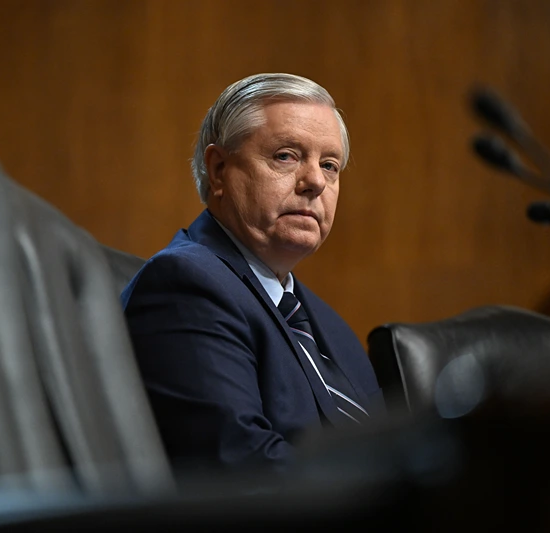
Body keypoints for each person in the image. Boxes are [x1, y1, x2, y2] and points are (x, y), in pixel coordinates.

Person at [121, 73, 384, 472]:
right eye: (286, 156)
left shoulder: (333, 331)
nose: (315, 181)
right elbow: (241, 462)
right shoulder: (187, 285)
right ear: (219, 169)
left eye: (330, 165)